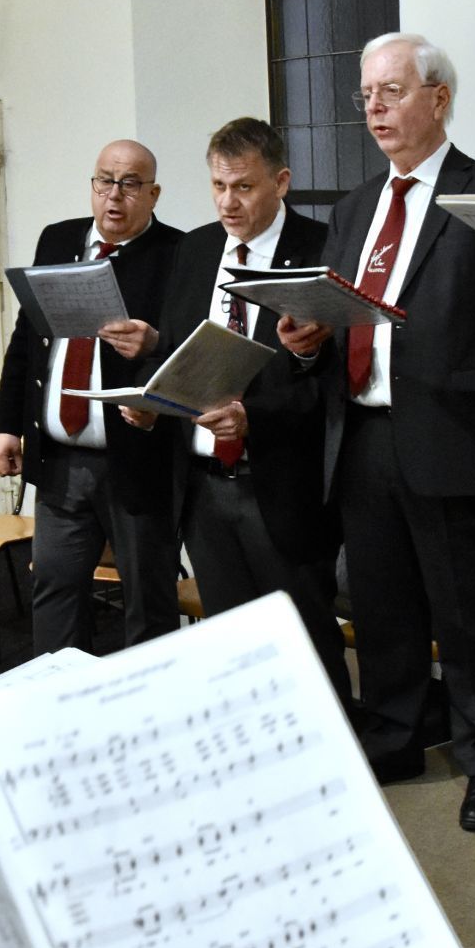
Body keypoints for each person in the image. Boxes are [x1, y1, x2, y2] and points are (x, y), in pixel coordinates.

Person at [279, 33, 475, 833]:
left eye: (390, 92)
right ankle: (395, 739)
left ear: (438, 98)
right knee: (384, 607)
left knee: (469, 616)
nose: (373, 108)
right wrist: (309, 339)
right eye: (366, 94)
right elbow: (336, 315)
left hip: (455, 440)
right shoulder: (357, 206)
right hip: (361, 435)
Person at [129, 117, 351, 702]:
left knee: (301, 638)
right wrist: (155, 402)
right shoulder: (197, 249)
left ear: (281, 181)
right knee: (232, 644)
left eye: (244, 187)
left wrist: (257, 420)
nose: (228, 202)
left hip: (281, 481)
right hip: (203, 484)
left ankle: (330, 763)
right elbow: (184, 350)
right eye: (218, 186)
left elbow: (332, 383)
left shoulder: (322, 250)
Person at [0, 139, 181, 653]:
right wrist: (7, 423)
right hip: (59, 458)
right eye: (104, 181)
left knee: (147, 600)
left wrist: (154, 345)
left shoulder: (178, 254)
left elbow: (189, 355)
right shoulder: (58, 240)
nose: (114, 196)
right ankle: (56, 711)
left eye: (130, 184)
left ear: (154, 194)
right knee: (53, 588)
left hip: (136, 463)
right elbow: (26, 341)